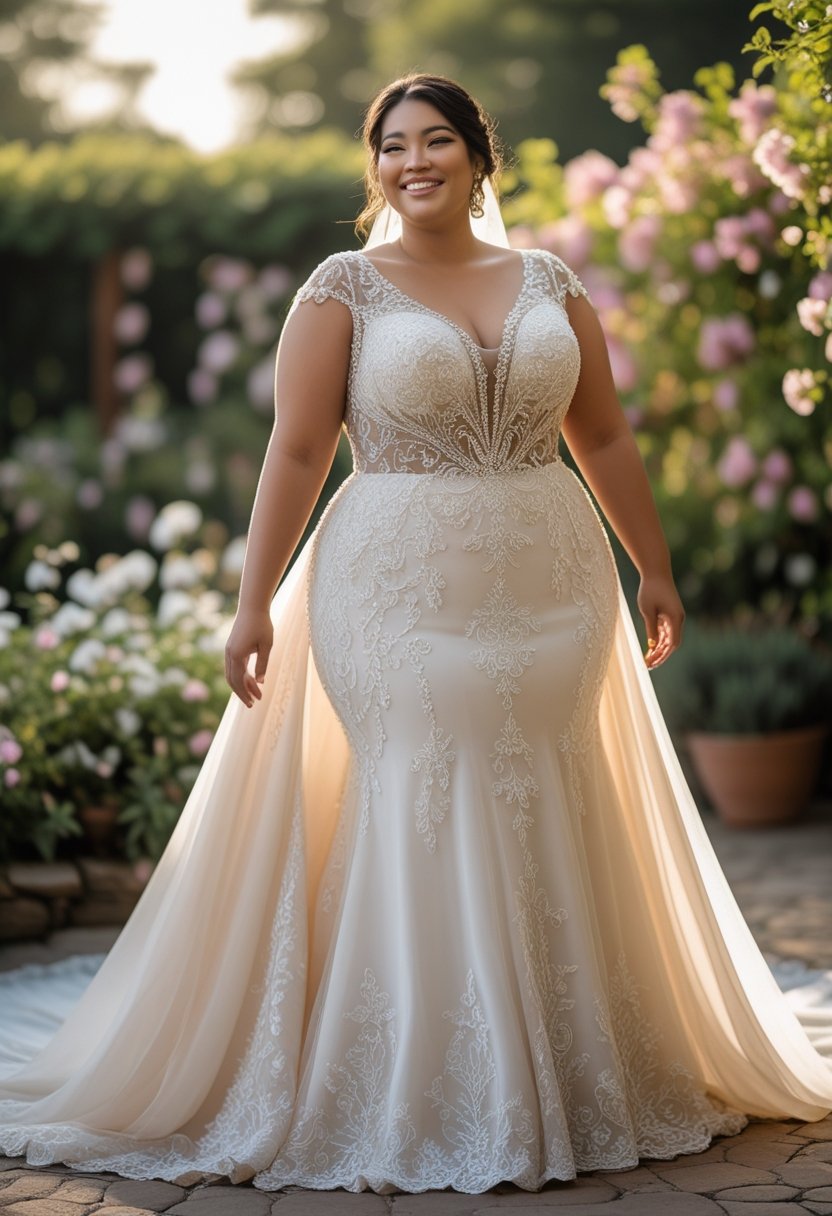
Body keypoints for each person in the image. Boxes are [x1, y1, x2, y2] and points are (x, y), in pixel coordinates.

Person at [0, 72, 830, 1197]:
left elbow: (606, 435)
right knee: (429, 782)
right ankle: (428, 1082)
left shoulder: (548, 280)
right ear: (375, 167)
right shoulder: (342, 288)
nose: (414, 161)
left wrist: (654, 564)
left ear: (478, 157)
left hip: (554, 579)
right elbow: (295, 453)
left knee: (541, 782)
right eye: (392, 146)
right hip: (394, 590)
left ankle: (572, 1070)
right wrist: (252, 603)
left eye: (437, 140)